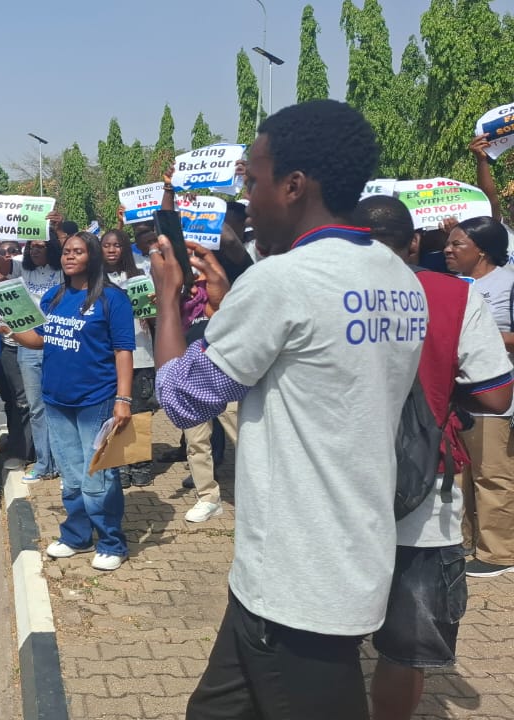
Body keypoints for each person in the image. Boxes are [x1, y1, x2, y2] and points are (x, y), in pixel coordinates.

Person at [150, 100, 427, 718]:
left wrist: (169, 299)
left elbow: (180, 397)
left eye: (253, 181)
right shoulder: (398, 276)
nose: (246, 202)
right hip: (346, 550)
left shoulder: (282, 281)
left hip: (297, 578)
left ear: (294, 186)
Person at [357, 195, 514, 720]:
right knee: (406, 649)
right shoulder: (454, 295)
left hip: (339, 489)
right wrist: (442, 393)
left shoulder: (324, 292)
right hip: (425, 494)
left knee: (324, 638)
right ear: (414, 243)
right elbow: (497, 395)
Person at [0, 231, 134, 570]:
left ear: (93, 256)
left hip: (96, 400)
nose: (69, 257)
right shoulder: (54, 296)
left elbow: (123, 351)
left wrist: (123, 398)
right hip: (56, 399)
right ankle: (76, 535)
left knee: (98, 475)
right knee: (71, 476)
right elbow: (39, 339)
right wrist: (7, 328)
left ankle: (111, 542)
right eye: (66, 252)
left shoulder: (113, 299)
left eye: (78, 251)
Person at [442, 214, 514, 578]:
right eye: (448, 243)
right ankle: (467, 541)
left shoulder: (509, 282)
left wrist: (481, 336)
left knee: (492, 474)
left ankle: (498, 552)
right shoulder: (452, 286)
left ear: (482, 250)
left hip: (496, 394)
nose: (447, 250)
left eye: (457, 244)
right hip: (459, 394)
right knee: (462, 474)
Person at [0, 216, 65, 484]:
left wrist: (57, 228)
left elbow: (72, 249)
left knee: (59, 405)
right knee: (36, 408)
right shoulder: (21, 269)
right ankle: (44, 463)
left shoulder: (63, 270)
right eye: (31, 245)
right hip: (27, 347)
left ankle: (63, 464)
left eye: (41, 245)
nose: (35, 249)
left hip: (59, 344)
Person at [102, 228, 156, 489]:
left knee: (139, 414)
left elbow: (156, 315)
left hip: (141, 354)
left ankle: (140, 465)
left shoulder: (141, 276)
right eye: (106, 245)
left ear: (125, 248)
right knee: (113, 413)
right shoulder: (96, 281)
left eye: (117, 245)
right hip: (108, 357)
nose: (112, 250)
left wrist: (151, 311)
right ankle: (120, 465)